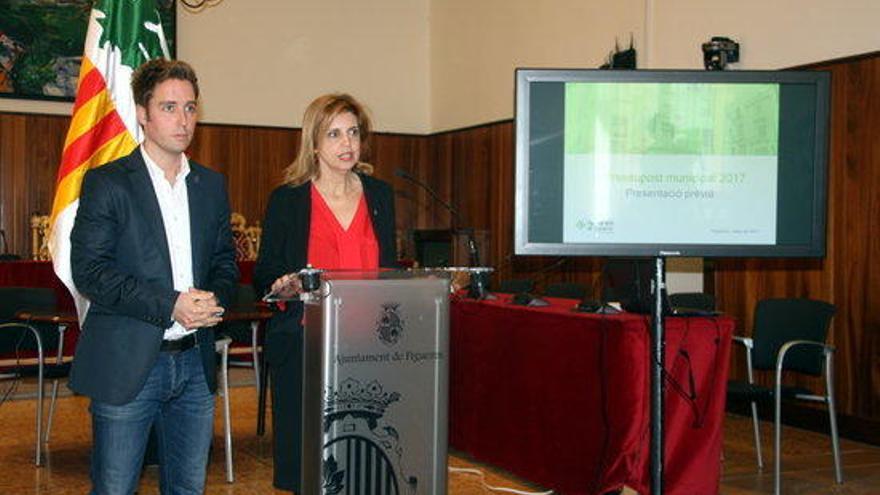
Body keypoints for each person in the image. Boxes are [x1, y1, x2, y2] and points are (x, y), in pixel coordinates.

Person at [69, 58, 238, 494]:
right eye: (168, 107)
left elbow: (224, 262)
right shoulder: (107, 183)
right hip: (129, 364)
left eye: (190, 107)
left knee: (187, 488)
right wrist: (171, 304)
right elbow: (90, 271)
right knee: (115, 487)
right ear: (142, 113)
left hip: (195, 364)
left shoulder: (211, 185)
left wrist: (212, 299)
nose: (183, 120)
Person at [253, 93, 398, 492]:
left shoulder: (379, 195)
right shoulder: (288, 200)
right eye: (334, 134)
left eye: (353, 132)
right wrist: (284, 284)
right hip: (306, 344)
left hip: (370, 347)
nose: (347, 143)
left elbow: (390, 270)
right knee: (310, 467)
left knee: (366, 462)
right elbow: (265, 271)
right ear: (314, 143)